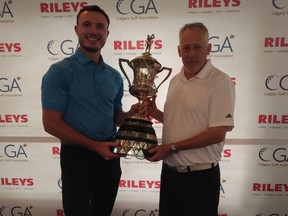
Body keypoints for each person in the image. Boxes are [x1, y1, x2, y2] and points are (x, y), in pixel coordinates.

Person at [41, 5, 138, 216]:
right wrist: (95, 146)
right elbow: (50, 123)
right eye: (87, 25)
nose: (93, 31)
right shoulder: (59, 72)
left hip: (110, 157)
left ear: (107, 34)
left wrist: (130, 114)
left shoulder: (113, 76)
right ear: (76, 29)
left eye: (100, 27)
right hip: (77, 158)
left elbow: (115, 116)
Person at [145, 22, 235, 216]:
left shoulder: (220, 81)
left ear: (208, 49)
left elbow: (217, 133)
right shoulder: (175, 81)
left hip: (200, 179)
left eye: (197, 47)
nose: (191, 54)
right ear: (179, 51)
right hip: (170, 174)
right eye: (186, 48)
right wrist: (156, 114)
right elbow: (178, 121)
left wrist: (172, 147)